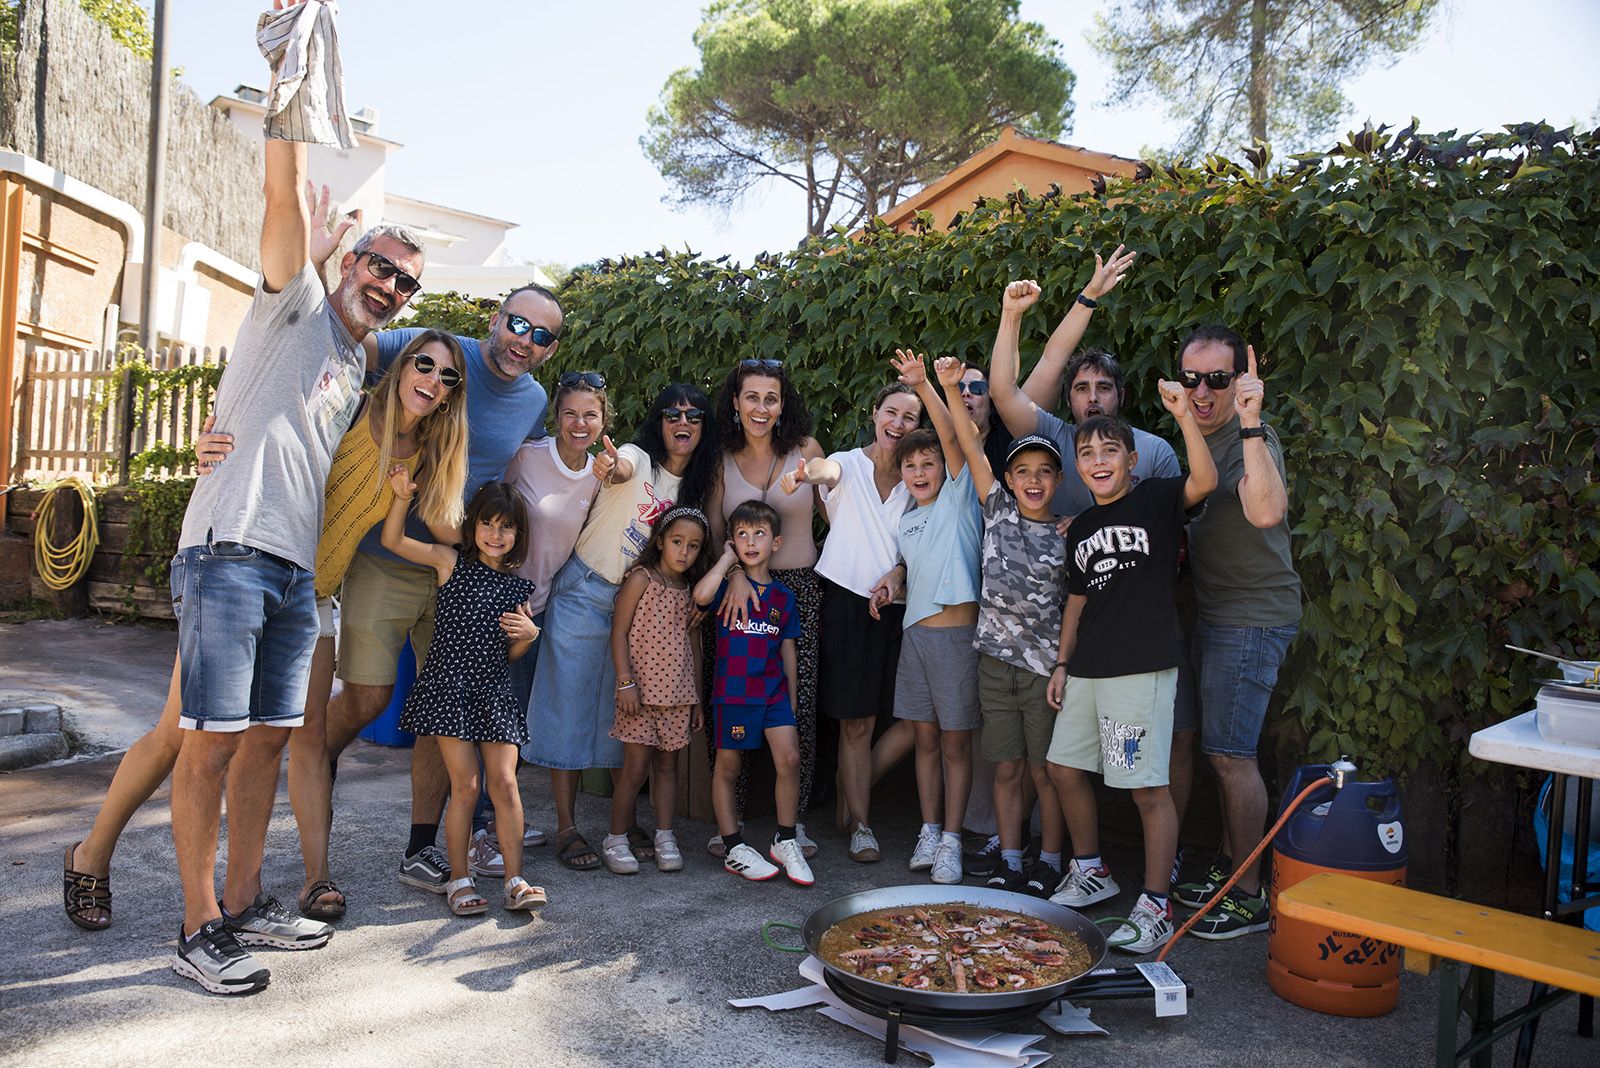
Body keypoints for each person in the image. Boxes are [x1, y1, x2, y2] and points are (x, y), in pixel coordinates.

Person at [161, 5, 426, 992]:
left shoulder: (352, 366)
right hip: (228, 553)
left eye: (405, 283)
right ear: (349, 260)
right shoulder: (298, 303)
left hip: (291, 580)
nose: (391, 285)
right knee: (210, 745)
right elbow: (280, 194)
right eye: (381, 266)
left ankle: (239, 903)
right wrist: (285, 82)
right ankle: (195, 930)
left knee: (269, 744)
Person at [60, 330, 463, 930]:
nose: (431, 380)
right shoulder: (349, 403)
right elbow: (268, 412)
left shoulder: (428, 451)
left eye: (447, 376)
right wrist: (213, 440)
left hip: (314, 594)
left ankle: (313, 879)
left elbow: (442, 526)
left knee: (300, 737)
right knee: (177, 735)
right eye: (424, 364)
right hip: (249, 574)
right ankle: (90, 854)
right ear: (403, 366)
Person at [1044, 385, 1218, 954]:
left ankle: (1155, 904)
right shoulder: (1085, 529)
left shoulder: (1158, 500)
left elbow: (1207, 482)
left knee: (1143, 787)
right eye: (1087, 453)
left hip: (1138, 671)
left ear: (1131, 461)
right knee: (1064, 768)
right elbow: (1076, 601)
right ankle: (1092, 870)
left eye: (1109, 451)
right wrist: (1063, 664)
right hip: (1088, 669)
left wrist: (1182, 416)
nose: (1098, 461)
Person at [527, 385, 720, 873]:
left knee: (623, 717)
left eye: (694, 416)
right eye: (672, 413)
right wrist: (611, 468)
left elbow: (701, 550)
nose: (683, 422)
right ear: (657, 422)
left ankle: (623, 821)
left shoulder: (694, 490)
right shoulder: (636, 455)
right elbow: (622, 468)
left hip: (643, 604)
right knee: (568, 706)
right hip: (587, 589)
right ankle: (568, 828)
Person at [1167, 328, 1301, 940]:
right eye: (1192, 377)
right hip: (1215, 611)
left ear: (1239, 382)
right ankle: (1230, 868)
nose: (1202, 390)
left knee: (1230, 754)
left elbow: (1266, 510)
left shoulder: (1252, 436)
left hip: (1251, 614)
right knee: (1222, 748)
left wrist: (1250, 422)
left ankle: (1249, 893)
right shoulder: (1197, 434)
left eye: (1217, 379)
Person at [940, 305, 1072, 897]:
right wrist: (945, 388)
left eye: (1046, 471)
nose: (1034, 480)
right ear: (1010, 478)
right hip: (995, 661)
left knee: (1046, 770)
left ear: (1058, 480)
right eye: (1024, 471)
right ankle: (1010, 857)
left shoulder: (1072, 534)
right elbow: (969, 439)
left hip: (1044, 670)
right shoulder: (996, 507)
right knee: (1007, 766)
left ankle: (1049, 859)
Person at [382, 477, 544, 915]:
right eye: (488, 523)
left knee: (506, 783)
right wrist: (401, 497)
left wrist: (529, 636)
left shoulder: (517, 589)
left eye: (506, 527)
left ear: (518, 535)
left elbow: (508, 653)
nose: (495, 534)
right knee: (467, 786)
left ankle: (515, 880)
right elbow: (392, 539)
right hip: (449, 689)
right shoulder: (449, 562)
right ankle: (459, 879)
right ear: (472, 526)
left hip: (493, 691)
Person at [781, 382, 923, 863]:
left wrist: (900, 574)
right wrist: (807, 474)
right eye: (892, 412)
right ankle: (862, 824)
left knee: (918, 720)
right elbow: (827, 469)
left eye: (910, 417)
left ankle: (850, 783)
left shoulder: (920, 477)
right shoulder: (847, 462)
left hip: (904, 607)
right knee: (857, 723)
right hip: (845, 601)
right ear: (875, 412)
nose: (898, 424)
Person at [867, 352, 983, 886]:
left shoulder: (961, 496)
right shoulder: (909, 516)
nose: (918, 472)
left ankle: (954, 840)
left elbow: (954, 437)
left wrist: (929, 387)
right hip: (915, 639)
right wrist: (895, 576)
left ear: (944, 467)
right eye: (910, 465)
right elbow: (917, 566)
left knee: (957, 745)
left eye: (928, 463)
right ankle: (930, 829)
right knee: (926, 740)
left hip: (958, 639)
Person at [704, 358, 825, 858]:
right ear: (735, 402)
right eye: (751, 397)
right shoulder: (720, 458)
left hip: (799, 589)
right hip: (737, 590)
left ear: (782, 403)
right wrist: (733, 573)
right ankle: (728, 826)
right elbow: (715, 530)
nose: (761, 407)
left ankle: (790, 827)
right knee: (735, 697)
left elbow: (837, 512)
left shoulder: (806, 450)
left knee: (798, 705)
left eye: (770, 398)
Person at [987, 250, 1179, 519]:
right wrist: (1011, 314)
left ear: (1121, 396)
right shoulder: (1053, 437)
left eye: (1103, 387)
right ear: (1067, 399)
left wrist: (1088, 524)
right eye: (1081, 388)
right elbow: (1010, 387)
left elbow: (1169, 525)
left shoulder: (1155, 451)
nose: (1092, 398)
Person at [694, 500, 810, 886]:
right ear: (733, 541)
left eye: (759, 533)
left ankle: (786, 839)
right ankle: (734, 847)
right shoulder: (728, 585)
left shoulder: (784, 598)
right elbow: (700, 596)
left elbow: (788, 650)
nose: (750, 540)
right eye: (741, 534)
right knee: (728, 767)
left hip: (774, 694)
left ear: (776, 542)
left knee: (789, 760)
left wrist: (792, 700)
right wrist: (729, 561)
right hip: (735, 694)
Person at [603, 507, 712, 875]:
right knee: (634, 769)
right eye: (677, 542)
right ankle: (616, 837)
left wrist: (696, 698)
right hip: (639, 695)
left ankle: (665, 835)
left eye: (693, 546)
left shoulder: (690, 592)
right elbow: (618, 632)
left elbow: (693, 647)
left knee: (668, 766)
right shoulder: (641, 579)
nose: (684, 552)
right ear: (661, 541)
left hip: (678, 696)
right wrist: (625, 681)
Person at [505, 372, 609, 746]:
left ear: (602, 421)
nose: (579, 424)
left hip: (543, 610)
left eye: (589, 415)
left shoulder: (600, 475)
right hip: (501, 605)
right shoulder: (527, 456)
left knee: (519, 716)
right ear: (557, 416)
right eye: (570, 414)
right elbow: (488, 515)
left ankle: (494, 801)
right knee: (495, 715)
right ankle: (477, 802)